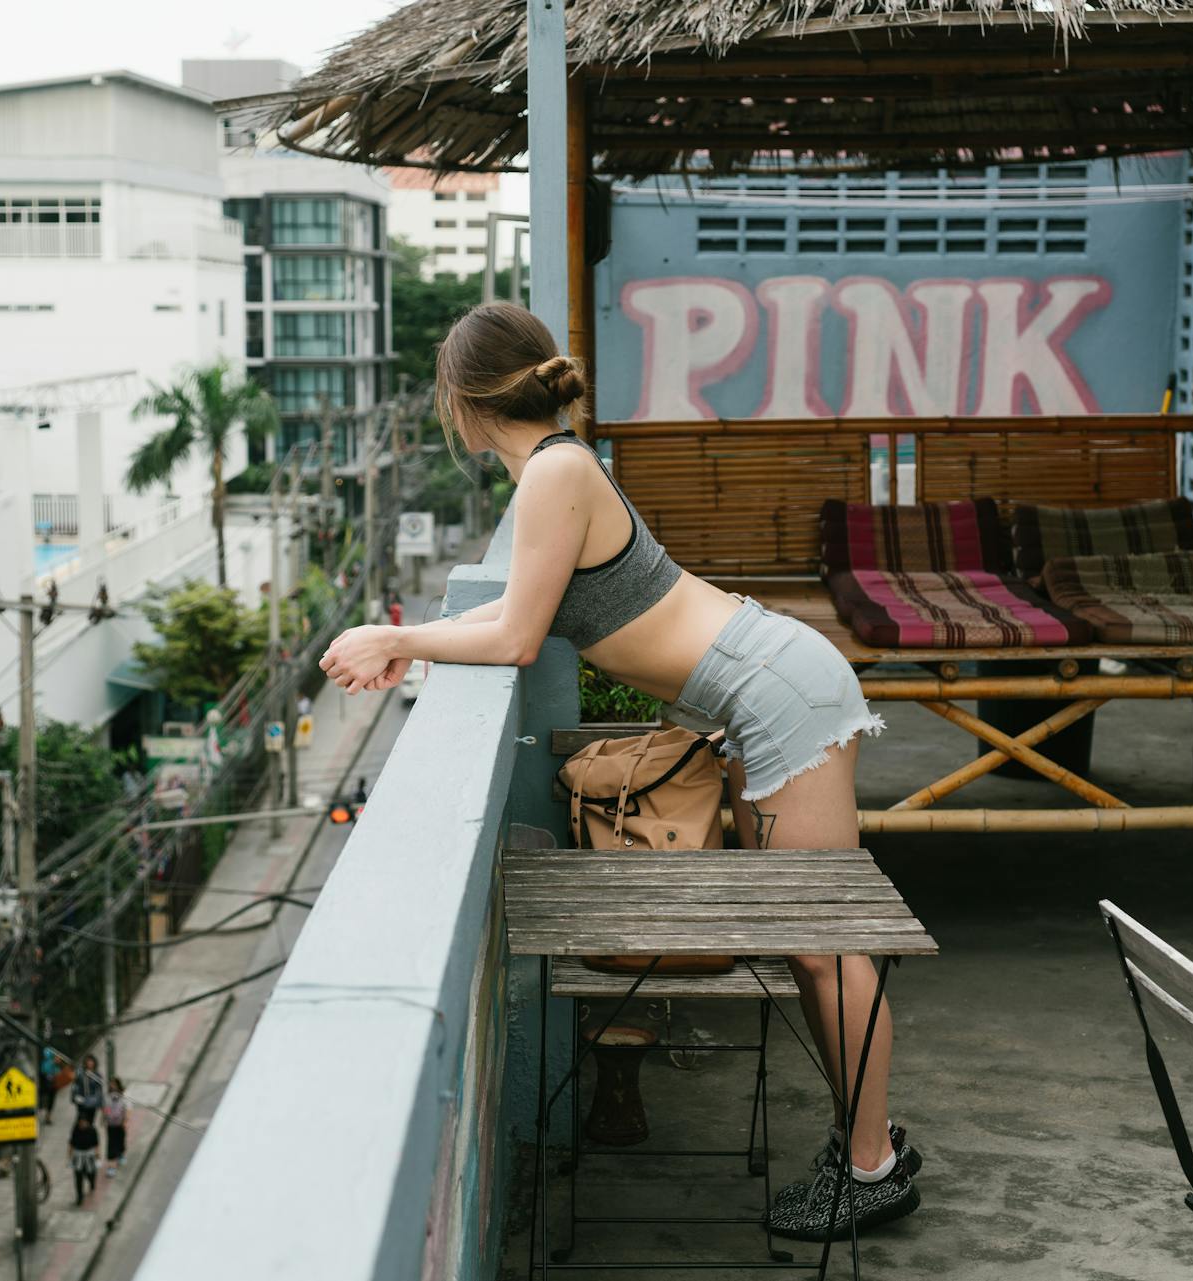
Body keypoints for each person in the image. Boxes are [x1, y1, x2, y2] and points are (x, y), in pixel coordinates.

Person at [320, 302, 915, 1241]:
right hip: (759, 692)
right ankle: (869, 1148)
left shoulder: (555, 474)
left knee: (822, 943)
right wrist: (418, 648)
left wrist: (394, 634)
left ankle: (875, 1164)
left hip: (780, 692)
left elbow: (515, 639)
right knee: (808, 943)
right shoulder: (557, 471)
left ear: (467, 402)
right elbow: (519, 616)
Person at [69, 1112, 100, 1205]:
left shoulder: (92, 1130)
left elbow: (96, 1144)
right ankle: (79, 1197)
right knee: (78, 1177)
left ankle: (92, 1182)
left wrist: (97, 1155)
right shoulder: (75, 1130)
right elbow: (71, 1143)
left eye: (84, 1122)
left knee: (90, 1172)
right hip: (78, 1155)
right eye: (80, 1122)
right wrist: (70, 1157)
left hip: (89, 1155)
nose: (82, 1124)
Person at [103, 1077, 130, 1176]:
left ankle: (121, 1154)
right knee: (111, 1144)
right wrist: (105, 1118)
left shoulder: (124, 1096)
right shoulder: (107, 1096)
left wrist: (125, 1121)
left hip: (120, 1123)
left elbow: (127, 1109)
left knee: (121, 1140)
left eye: (114, 1084)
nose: (112, 1086)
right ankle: (111, 1167)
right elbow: (105, 1108)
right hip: (111, 1124)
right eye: (111, 1084)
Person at [71, 1053, 105, 1123]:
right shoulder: (80, 1073)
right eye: (88, 1061)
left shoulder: (97, 1075)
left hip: (92, 1102)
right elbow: (75, 1086)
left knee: (90, 1121)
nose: (90, 1063)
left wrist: (100, 1103)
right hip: (81, 1101)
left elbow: (99, 1090)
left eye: (91, 1061)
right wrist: (75, 1097)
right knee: (81, 1120)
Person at [37, 1045, 60, 1122]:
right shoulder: (46, 1054)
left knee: (51, 1098)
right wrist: (53, 1061)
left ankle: (48, 1116)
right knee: (44, 1096)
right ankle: (42, 1113)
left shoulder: (53, 1052)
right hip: (44, 1079)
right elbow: (44, 1068)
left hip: (53, 1080)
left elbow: (58, 1070)